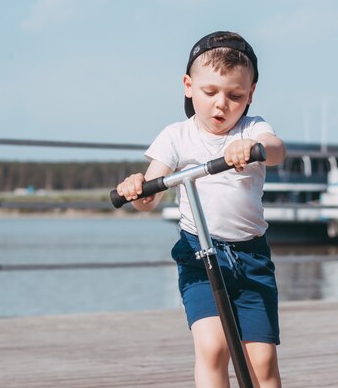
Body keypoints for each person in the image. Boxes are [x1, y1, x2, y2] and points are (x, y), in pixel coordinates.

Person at [117, 31, 285, 388]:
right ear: (188, 86)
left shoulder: (252, 129)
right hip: (199, 254)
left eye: (235, 95)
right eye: (210, 93)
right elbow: (149, 197)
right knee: (213, 347)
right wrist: (137, 188)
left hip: (251, 257)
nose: (221, 105)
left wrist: (252, 145)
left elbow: (276, 149)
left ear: (251, 93)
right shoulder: (177, 135)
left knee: (262, 360)